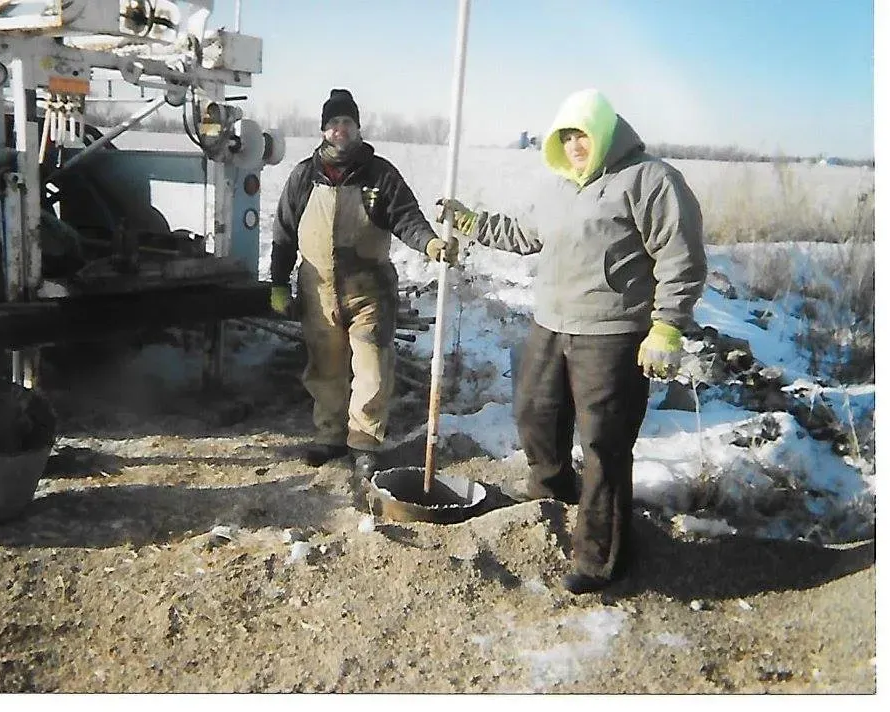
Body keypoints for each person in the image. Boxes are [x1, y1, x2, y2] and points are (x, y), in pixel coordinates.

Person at [439, 88, 707, 594]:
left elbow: (681, 258)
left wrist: (667, 326)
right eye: (566, 135)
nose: (575, 144)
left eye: (582, 133)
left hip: (612, 334)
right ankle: (554, 509)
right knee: (535, 417)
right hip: (551, 324)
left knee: (604, 443)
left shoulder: (651, 180)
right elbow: (523, 234)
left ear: (604, 132)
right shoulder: (560, 187)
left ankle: (602, 556)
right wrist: (473, 223)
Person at [270, 88, 458, 478]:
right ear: (324, 130)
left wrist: (431, 244)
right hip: (317, 288)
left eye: (347, 122)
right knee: (326, 368)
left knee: (372, 368)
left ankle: (364, 442)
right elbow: (284, 232)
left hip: (368, 290)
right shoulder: (304, 176)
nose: (341, 129)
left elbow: (407, 218)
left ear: (357, 128)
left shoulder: (380, 174)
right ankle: (331, 436)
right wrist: (277, 283)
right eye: (334, 123)